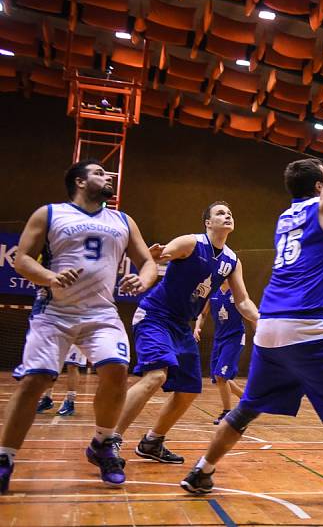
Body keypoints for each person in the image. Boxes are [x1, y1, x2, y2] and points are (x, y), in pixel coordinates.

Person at [180, 96, 323, 519]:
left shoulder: (285, 217)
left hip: (269, 328)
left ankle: (202, 470)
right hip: (306, 325)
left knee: (246, 408)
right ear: (320, 186)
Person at [0, 159, 157, 493]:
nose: (108, 177)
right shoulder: (50, 213)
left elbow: (148, 262)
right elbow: (23, 258)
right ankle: (4, 457)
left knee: (117, 370)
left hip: (101, 312)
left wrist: (142, 280)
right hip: (55, 311)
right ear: (79, 181)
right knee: (35, 381)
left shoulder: (123, 220)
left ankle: (102, 443)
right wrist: (50, 277)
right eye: (99, 173)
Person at [113, 201, 260, 464]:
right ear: (207, 222)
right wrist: (155, 255)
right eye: (220, 213)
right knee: (156, 375)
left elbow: (243, 300)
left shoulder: (232, 261)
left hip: (182, 325)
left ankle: (152, 442)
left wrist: (261, 320)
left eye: (230, 213)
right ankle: (109, 440)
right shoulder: (190, 243)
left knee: (190, 390)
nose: (227, 216)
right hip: (156, 315)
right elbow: (157, 257)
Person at [195, 280, 247, 425]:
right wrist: (197, 327)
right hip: (219, 339)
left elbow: (247, 308)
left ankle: (227, 412)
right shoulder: (213, 292)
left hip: (235, 338)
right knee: (220, 379)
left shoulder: (237, 290)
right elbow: (203, 314)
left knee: (220, 376)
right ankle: (249, 401)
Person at [36, 346, 87, 416]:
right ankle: (47, 398)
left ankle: (70, 401)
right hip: (59, 337)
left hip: (76, 338)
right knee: (51, 364)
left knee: (72, 365)